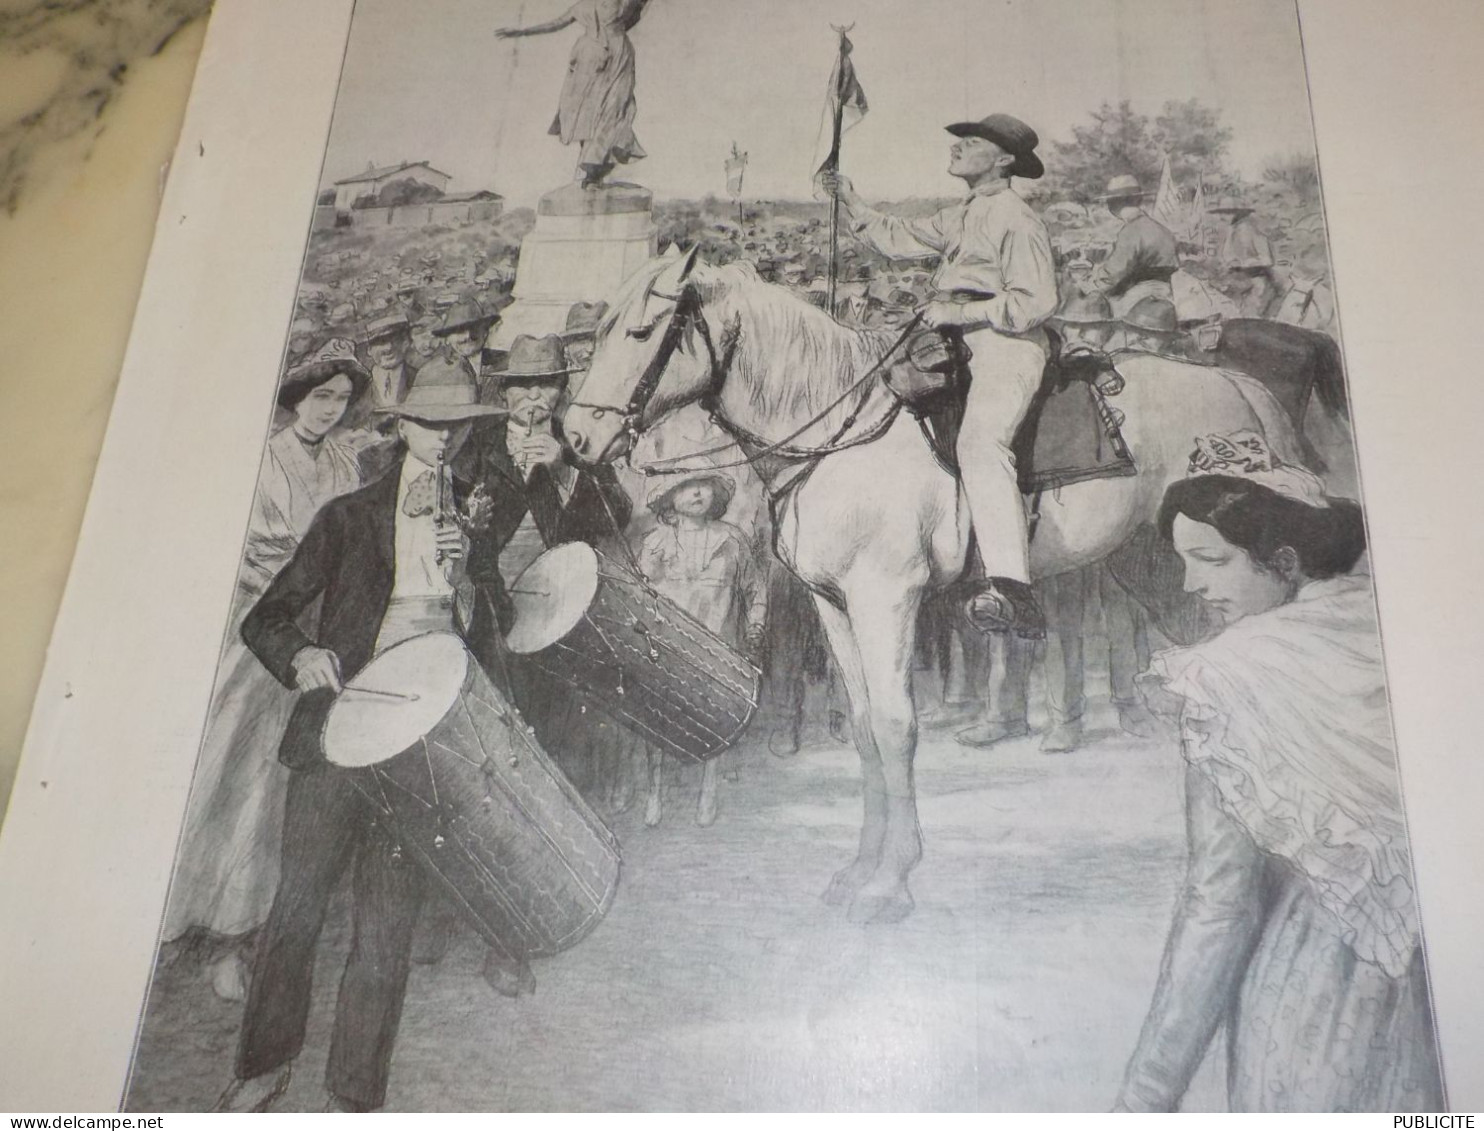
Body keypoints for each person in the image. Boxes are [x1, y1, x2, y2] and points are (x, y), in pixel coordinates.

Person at [1114, 432, 1444, 1112]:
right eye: (1183, 562)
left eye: (1211, 559)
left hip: (1313, 1010)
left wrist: (1146, 1095)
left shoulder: (1227, 679)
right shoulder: (1399, 630)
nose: (1191, 585)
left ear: (1284, 559)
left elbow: (1220, 907)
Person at [213, 362, 508, 1113]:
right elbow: (264, 618)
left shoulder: (476, 522)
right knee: (299, 908)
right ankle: (263, 1064)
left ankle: (354, 1094)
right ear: (404, 427)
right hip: (334, 739)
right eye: (430, 424)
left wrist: (468, 575)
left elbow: (488, 644)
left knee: (385, 928)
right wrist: (302, 655)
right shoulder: (346, 517)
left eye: (457, 426)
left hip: (419, 751)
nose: (444, 439)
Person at [163, 339, 367, 1001]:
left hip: (320, 640)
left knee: (283, 793)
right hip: (260, 634)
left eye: (340, 399)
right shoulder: (259, 462)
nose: (330, 410)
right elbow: (239, 551)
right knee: (233, 779)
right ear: (295, 398)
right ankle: (194, 922)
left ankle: (240, 937)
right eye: (320, 397)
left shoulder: (346, 462)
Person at [820, 112, 1059, 649]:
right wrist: (849, 199)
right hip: (948, 338)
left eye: (970, 143)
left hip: (1005, 344)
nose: (956, 149)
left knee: (981, 444)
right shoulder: (962, 214)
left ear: (1002, 160)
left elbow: (1037, 302)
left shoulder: (1018, 219)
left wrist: (962, 314)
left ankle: (1011, 587)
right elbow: (898, 237)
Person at [636, 471, 766, 826]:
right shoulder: (656, 543)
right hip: (668, 647)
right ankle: (654, 792)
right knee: (657, 719)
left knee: (714, 717)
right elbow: (639, 593)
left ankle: (709, 789)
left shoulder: (732, 540)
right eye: (685, 486)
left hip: (717, 648)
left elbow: (755, 591)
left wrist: (755, 628)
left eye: (704, 485)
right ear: (669, 499)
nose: (696, 492)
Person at [495, 0, 653, 188]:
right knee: (585, 114)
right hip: (589, 59)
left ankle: (594, 167)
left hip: (618, 57)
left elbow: (638, 10)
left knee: (615, 109)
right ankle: (592, 169)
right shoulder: (582, 7)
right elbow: (555, 24)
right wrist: (522, 32)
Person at [1091, 174, 1179, 318]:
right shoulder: (1163, 230)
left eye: (1109, 202)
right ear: (1138, 200)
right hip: (1166, 293)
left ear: (1115, 203)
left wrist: (1090, 286)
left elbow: (1115, 273)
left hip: (1138, 296)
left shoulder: (1130, 232)